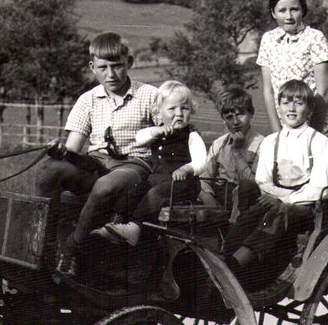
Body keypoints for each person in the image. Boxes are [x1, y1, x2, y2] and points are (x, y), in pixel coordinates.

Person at [34, 31, 158, 277]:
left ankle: (71, 250)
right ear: (92, 67)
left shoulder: (150, 96)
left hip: (134, 166)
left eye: (117, 66)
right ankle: (44, 246)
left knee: (104, 186)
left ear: (129, 63)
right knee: (50, 170)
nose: (110, 74)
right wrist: (61, 152)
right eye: (103, 67)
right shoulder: (88, 100)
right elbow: (73, 149)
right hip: (95, 163)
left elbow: (172, 135)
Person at [223, 79, 328, 286]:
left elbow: (319, 188)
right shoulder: (272, 141)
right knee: (251, 201)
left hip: (303, 206)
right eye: (285, 103)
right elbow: (262, 179)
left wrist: (286, 198)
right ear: (279, 107)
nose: (291, 108)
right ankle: (228, 251)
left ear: (309, 109)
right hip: (273, 196)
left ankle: (239, 262)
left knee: (280, 211)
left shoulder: (318, 141)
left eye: (298, 103)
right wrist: (274, 195)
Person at [93, 80, 207, 246]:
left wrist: (186, 169)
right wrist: (157, 130)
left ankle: (134, 227)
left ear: (191, 110)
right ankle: (117, 223)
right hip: (159, 178)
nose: (179, 113)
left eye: (185, 108)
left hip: (182, 185)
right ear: (159, 112)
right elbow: (140, 138)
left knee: (157, 193)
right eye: (172, 108)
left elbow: (201, 161)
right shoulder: (158, 131)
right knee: (134, 188)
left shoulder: (191, 136)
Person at [257, 0, 328, 147]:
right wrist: (278, 136)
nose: (288, 16)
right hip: (285, 134)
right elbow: (268, 91)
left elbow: (323, 91)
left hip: (317, 132)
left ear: (303, 10)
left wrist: (310, 138)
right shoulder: (267, 40)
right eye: (282, 10)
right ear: (273, 13)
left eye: (294, 9)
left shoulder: (315, 38)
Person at [198, 87, 264, 222]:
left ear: (251, 113)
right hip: (221, 196)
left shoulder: (261, 144)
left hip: (247, 199)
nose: (235, 122)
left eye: (240, 114)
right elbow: (205, 177)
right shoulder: (219, 144)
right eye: (229, 117)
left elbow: (252, 183)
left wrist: (237, 151)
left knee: (242, 188)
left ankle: (233, 228)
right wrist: (209, 200)